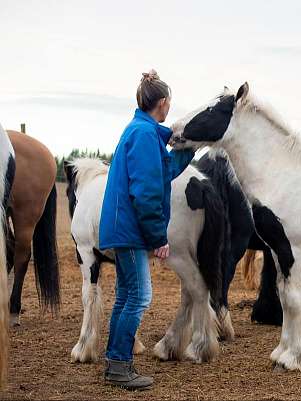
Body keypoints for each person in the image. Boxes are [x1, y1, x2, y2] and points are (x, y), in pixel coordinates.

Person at [98, 70, 195, 390]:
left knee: (126, 296)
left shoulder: (142, 131)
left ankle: (115, 362)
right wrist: (158, 237)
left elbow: (164, 171)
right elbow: (147, 192)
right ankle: (119, 366)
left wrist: (188, 146)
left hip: (122, 228)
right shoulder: (142, 135)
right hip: (130, 230)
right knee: (139, 296)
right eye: (170, 104)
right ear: (163, 103)